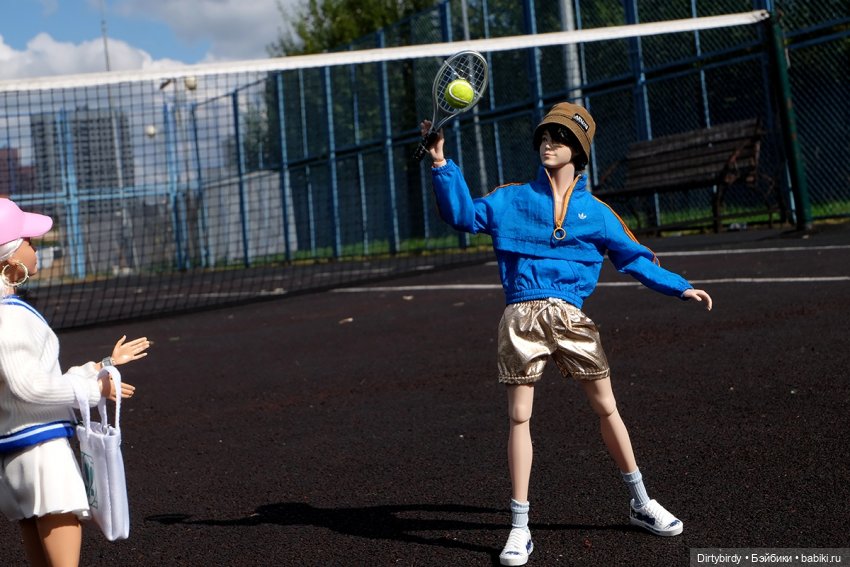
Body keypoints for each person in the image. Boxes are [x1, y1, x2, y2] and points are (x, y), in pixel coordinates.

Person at [420, 102, 713, 566]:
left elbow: (633, 258)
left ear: (580, 149)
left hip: (572, 318)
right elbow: (462, 215)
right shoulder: (511, 198)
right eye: (543, 137)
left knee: (607, 408)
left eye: (559, 137)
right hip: (521, 317)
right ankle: (519, 527)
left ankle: (641, 501)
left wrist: (680, 287)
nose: (548, 144)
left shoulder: (597, 213)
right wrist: (440, 162)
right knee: (520, 418)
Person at [0, 198, 151, 567]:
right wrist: (94, 388)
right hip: (41, 450)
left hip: (17, 448)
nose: (37, 248)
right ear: (9, 259)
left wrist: (102, 366)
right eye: (30, 242)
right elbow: (30, 387)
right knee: (60, 529)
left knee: (35, 533)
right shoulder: (10, 318)